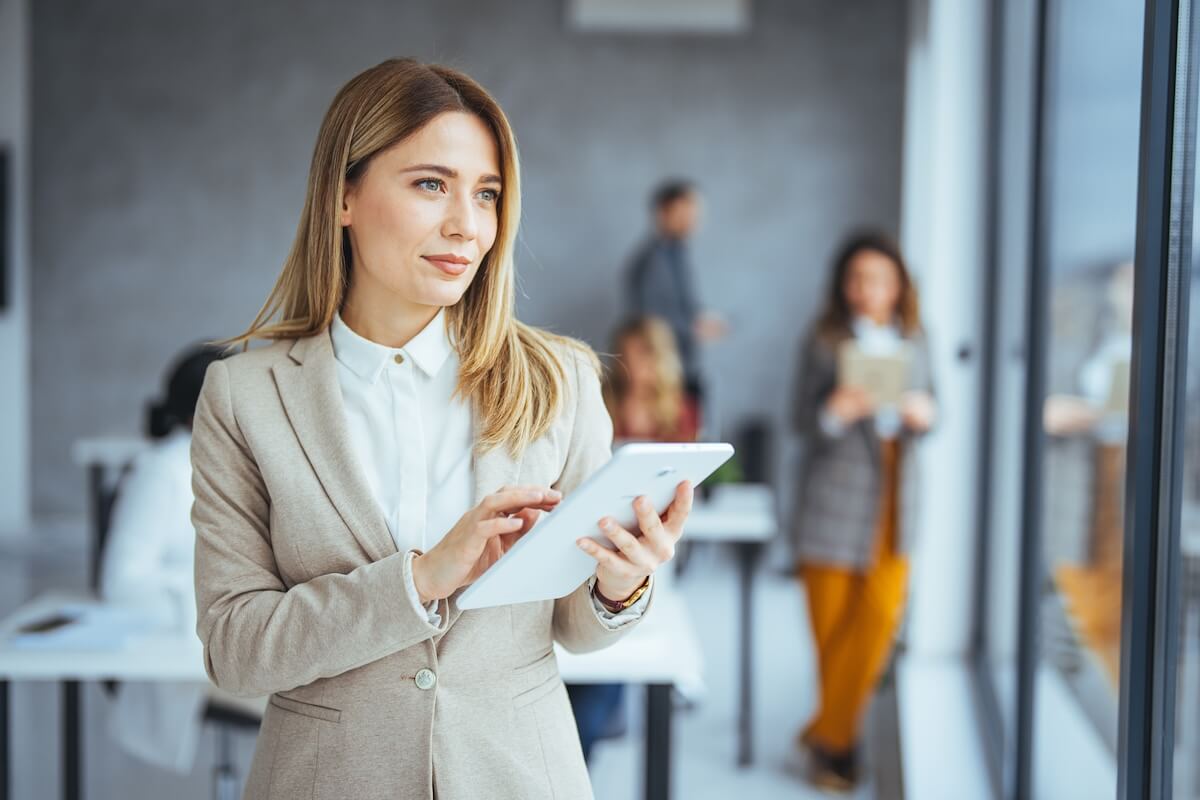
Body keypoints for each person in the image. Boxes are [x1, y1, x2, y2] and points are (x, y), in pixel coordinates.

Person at [191, 58, 692, 800]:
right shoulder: (244, 397)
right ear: (343, 197)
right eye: (431, 184)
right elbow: (236, 651)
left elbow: (577, 629)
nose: (467, 224)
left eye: (486, 194)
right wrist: (420, 579)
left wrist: (621, 585)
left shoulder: (560, 380)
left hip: (521, 776)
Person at [789, 231, 937, 791]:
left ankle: (828, 737)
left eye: (877, 278)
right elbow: (801, 422)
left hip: (897, 497)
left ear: (898, 284)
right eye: (855, 278)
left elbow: (936, 409)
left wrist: (926, 412)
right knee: (830, 634)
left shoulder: (919, 339)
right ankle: (836, 747)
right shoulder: (824, 339)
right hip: (833, 500)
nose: (865, 289)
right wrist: (835, 409)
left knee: (878, 623)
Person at [565, 315, 700, 763]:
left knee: (629, 627)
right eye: (627, 354)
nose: (634, 364)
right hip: (598, 530)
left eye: (644, 354)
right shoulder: (601, 401)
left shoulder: (678, 410)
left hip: (648, 535)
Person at [100, 344, 228, 772]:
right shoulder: (161, 472)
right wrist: (209, 596)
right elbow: (121, 582)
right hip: (196, 649)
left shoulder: (239, 466)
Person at [625, 180, 727, 397]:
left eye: (693, 213)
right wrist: (695, 328)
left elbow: (683, 304)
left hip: (680, 365)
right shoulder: (652, 260)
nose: (691, 220)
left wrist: (702, 319)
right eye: (684, 213)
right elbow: (649, 318)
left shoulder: (677, 253)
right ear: (662, 213)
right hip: (663, 371)